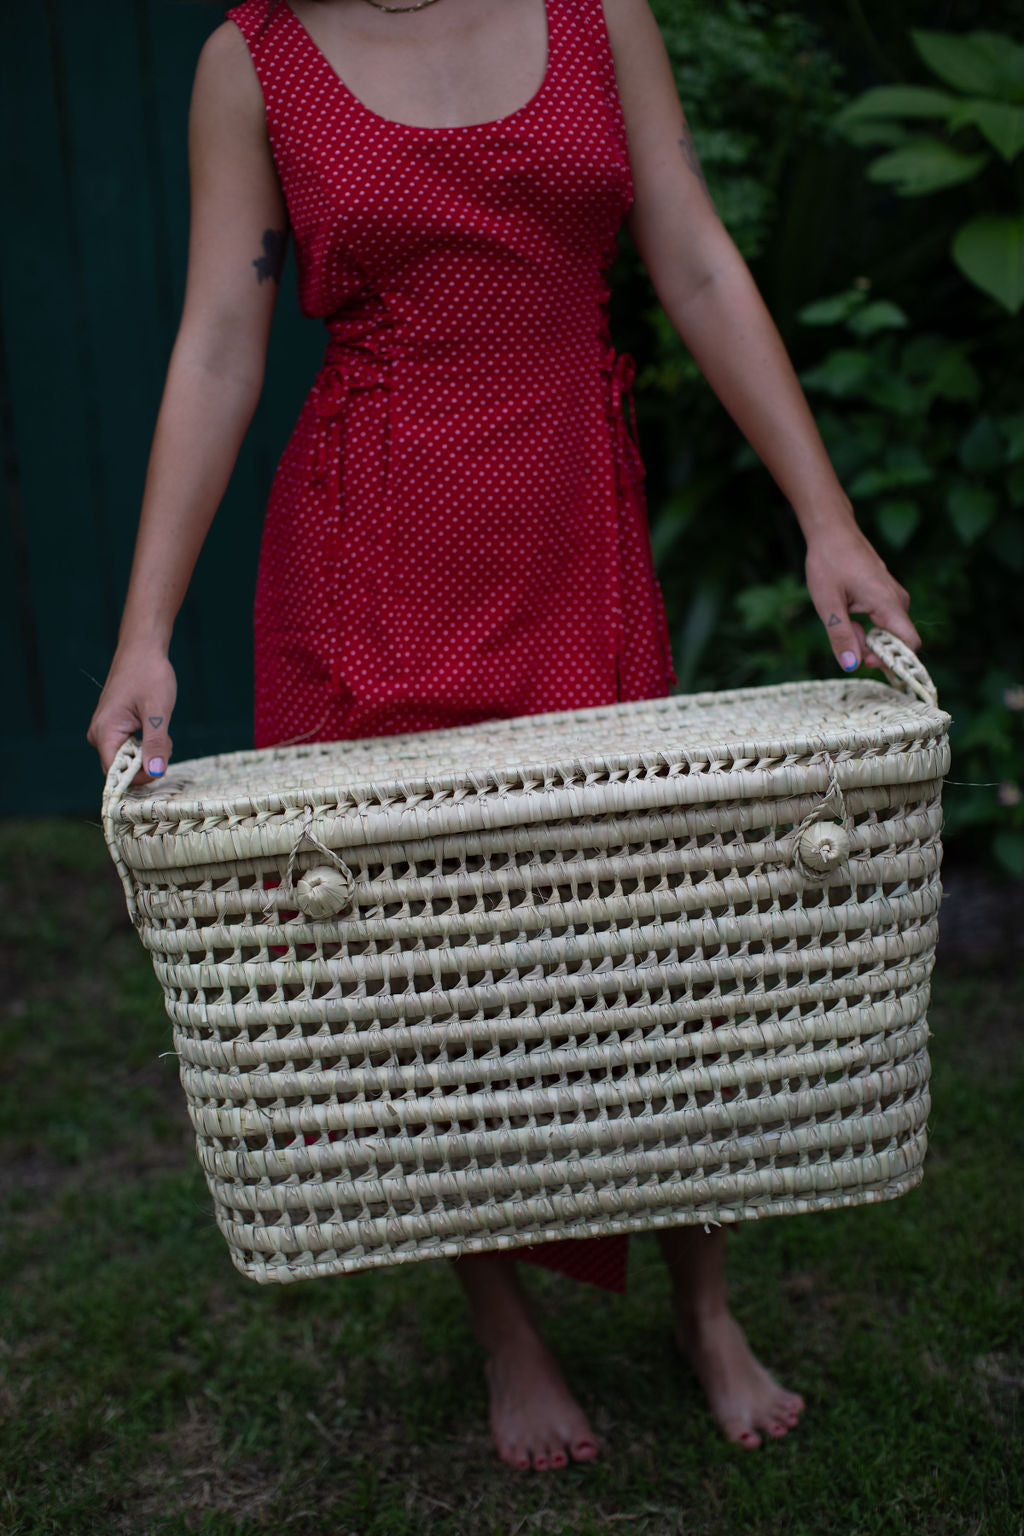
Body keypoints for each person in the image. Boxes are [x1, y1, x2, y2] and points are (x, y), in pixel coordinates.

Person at [87, 0, 921, 1475]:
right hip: (369, 562)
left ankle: (703, 1302)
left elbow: (694, 254)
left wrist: (827, 517)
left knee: (659, 935)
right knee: (419, 964)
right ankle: (503, 1325)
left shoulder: (600, 16)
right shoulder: (254, 60)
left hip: (573, 531)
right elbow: (218, 342)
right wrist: (145, 628)